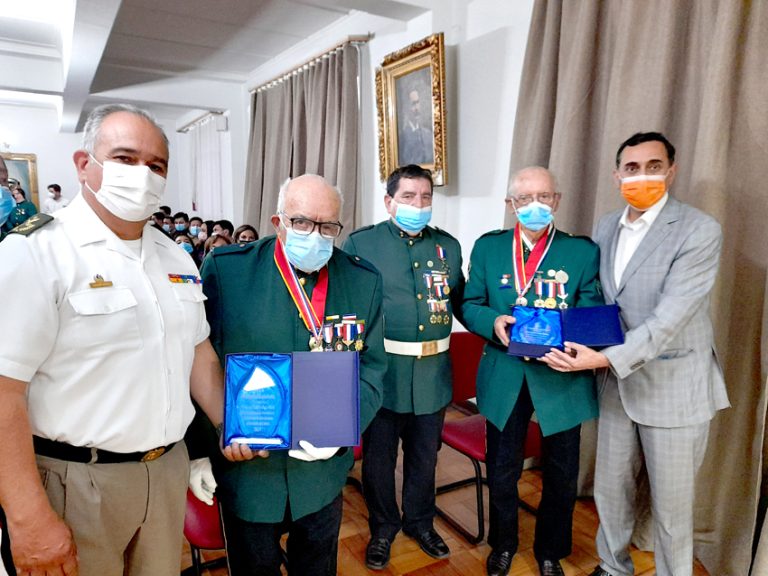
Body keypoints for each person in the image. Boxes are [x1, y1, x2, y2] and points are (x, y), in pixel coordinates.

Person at [0, 103, 251, 576]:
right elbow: (3, 393)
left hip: (165, 471)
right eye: (124, 158)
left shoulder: (175, 257)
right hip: (76, 482)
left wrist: (238, 422)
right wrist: (27, 518)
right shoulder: (35, 252)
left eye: (156, 166)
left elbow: (199, 356)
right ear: (83, 165)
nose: (143, 175)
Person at [542, 133, 729, 576]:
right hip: (616, 388)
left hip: (673, 387)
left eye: (652, 165)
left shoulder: (699, 229)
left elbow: (671, 318)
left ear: (671, 170)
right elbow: (599, 301)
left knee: (671, 511)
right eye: (631, 168)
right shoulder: (607, 225)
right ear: (616, 174)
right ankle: (612, 566)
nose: (641, 175)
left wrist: (602, 359)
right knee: (612, 492)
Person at [199, 174, 386, 575]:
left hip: (320, 473)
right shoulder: (228, 272)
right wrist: (210, 439)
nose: (315, 235)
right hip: (250, 470)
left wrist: (344, 427)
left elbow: (372, 369)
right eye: (301, 222)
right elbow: (201, 360)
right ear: (277, 221)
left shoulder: (362, 280)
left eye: (327, 226)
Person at [462, 166, 603, 576]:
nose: (535, 205)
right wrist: (494, 322)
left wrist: (570, 338)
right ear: (511, 205)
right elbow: (470, 301)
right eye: (524, 199)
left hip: (560, 373)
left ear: (557, 200)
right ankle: (503, 543)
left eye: (544, 196)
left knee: (561, 471)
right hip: (505, 372)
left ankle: (550, 551)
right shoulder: (489, 248)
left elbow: (591, 308)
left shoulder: (581, 252)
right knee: (502, 467)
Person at [342, 164, 464, 570]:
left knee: (425, 457)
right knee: (378, 459)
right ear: (389, 201)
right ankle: (382, 527)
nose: (418, 204)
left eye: (426, 197)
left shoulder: (447, 246)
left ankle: (420, 522)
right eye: (409, 197)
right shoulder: (362, 244)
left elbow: (462, 302)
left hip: (432, 372)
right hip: (383, 372)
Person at [398, 89, 434, 166]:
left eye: (417, 102)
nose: (417, 108)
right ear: (406, 108)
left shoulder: (428, 134)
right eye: (413, 104)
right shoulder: (402, 138)